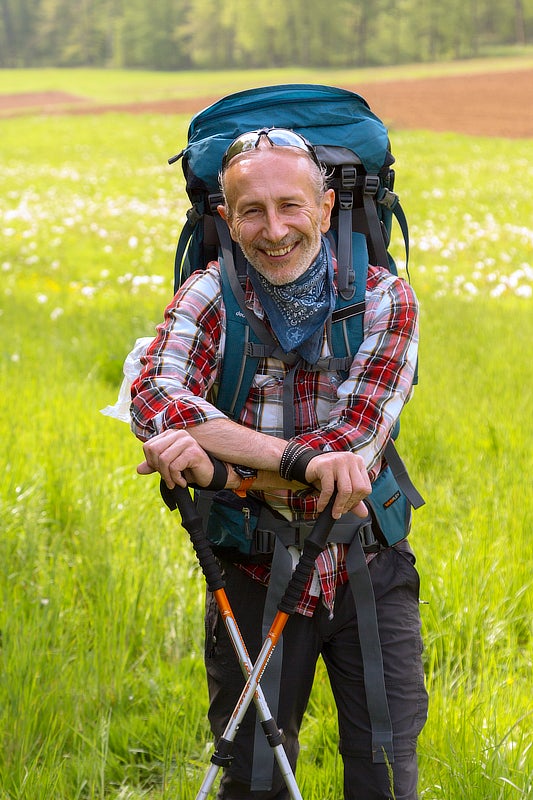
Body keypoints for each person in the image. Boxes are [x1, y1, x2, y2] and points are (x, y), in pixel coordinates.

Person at [130, 128, 428, 799]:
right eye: (250, 212)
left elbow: (350, 453)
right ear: (224, 221)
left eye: (291, 206)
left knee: (383, 770)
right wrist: (293, 459)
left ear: (325, 208)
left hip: (367, 569)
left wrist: (221, 470)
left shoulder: (386, 300)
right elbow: (154, 399)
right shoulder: (209, 294)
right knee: (255, 778)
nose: (273, 230)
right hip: (251, 569)